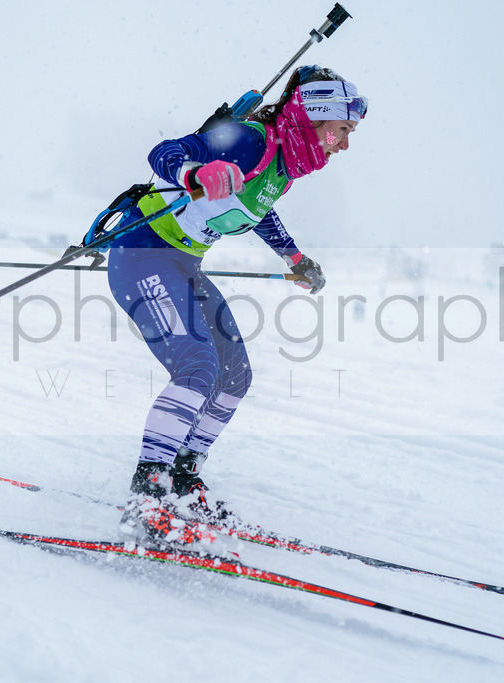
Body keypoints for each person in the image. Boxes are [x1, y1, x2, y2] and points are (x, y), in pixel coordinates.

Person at [105, 65, 368, 546]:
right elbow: (166, 153)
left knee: (234, 374)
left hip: (184, 264)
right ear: (317, 114)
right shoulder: (249, 139)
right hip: (142, 255)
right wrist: (194, 172)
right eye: (343, 130)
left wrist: (295, 257)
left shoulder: (282, 166)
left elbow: (259, 208)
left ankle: (182, 483)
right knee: (197, 365)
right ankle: (147, 499)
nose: (345, 145)